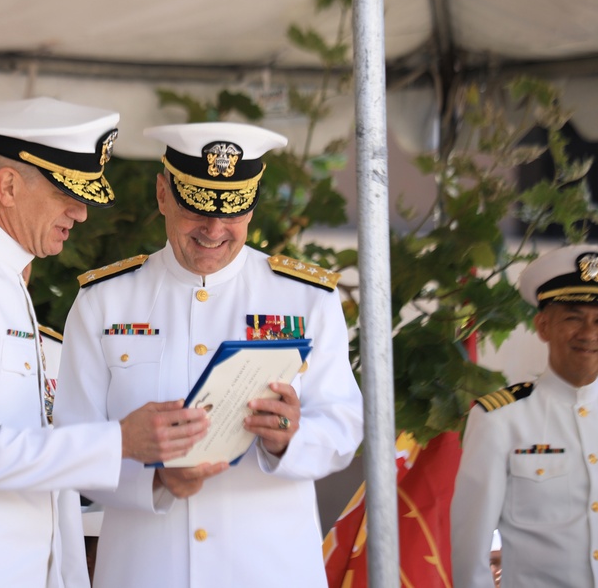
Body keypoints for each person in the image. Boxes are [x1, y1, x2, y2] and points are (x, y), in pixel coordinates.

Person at [0, 97, 209, 588]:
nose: (80, 213)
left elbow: (28, 454)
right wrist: (119, 439)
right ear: (8, 186)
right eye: (66, 193)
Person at [52, 121, 364, 588]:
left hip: (268, 570)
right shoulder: (105, 301)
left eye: (234, 211)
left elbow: (344, 428)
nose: (214, 229)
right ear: (162, 194)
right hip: (148, 571)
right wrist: (157, 482)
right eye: (196, 208)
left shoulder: (306, 299)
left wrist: (287, 440)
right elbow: (72, 445)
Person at [451, 244, 598, 588]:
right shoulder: (500, 419)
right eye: (573, 317)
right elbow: (471, 547)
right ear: (543, 326)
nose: (589, 333)